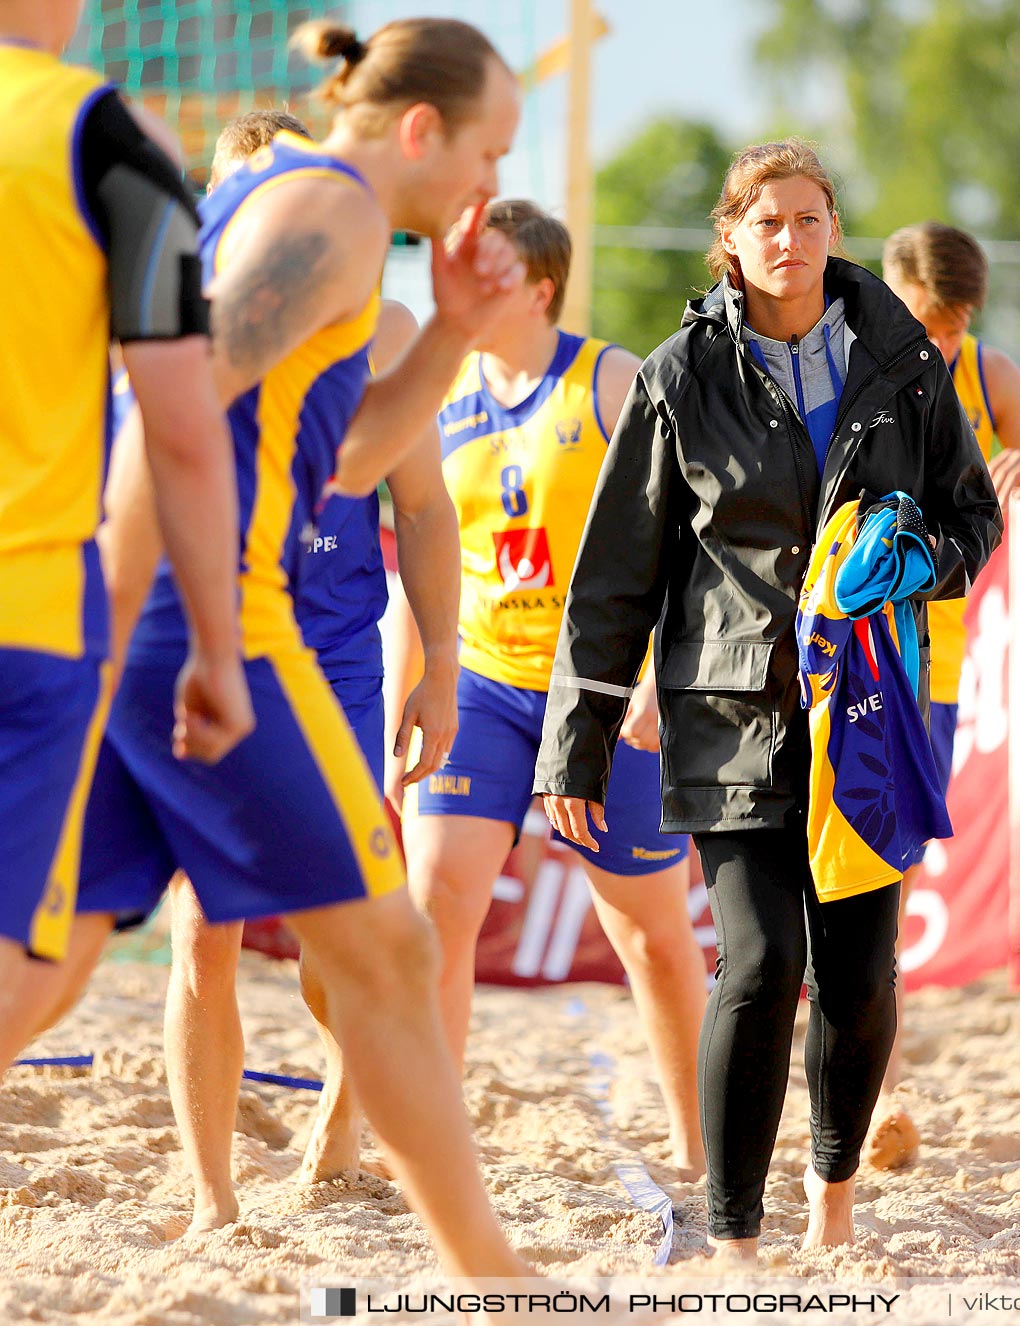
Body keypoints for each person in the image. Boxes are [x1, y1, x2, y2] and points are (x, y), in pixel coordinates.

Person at [4, 19, 536, 1281]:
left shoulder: (303, 207)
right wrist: (145, 634)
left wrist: (454, 329)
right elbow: (163, 417)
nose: (490, 187)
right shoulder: (336, 214)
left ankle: (490, 1275)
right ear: (421, 132)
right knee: (387, 954)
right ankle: (496, 1281)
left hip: (154, 620)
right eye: (489, 151)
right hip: (208, 621)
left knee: (52, 963)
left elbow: (345, 464)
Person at [534, 139, 1000, 1259]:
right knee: (759, 963)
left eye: (808, 218)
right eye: (766, 222)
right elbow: (615, 578)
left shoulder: (904, 360)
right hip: (728, 710)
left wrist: (914, 557)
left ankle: (831, 1207)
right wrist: (580, 744)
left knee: (860, 970)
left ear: (835, 228)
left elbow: (974, 520)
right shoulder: (675, 377)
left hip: (875, 716)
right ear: (729, 238)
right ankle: (737, 1239)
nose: (788, 240)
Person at [304, 198, 711, 1183]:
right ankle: (415, 1143)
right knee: (434, 909)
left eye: (484, 270)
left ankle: (703, 1153)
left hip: (604, 685)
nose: (457, 287)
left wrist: (665, 672)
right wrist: (414, 687)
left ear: (536, 286)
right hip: (482, 681)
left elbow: (698, 539)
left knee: (648, 934)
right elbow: (420, 562)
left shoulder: (611, 379)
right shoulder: (437, 397)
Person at [154, 108, 468, 1231]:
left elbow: (425, 510)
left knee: (346, 941)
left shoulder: (383, 330)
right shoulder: (183, 319)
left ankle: (340, 1125)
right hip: (212, 639)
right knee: (203, 927)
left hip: (333, 655)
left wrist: (440, 666)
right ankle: (210, 1199)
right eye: (241, 194)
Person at [0, 0, 250, 1056]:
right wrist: (216, 644)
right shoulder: (104, 135)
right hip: (27, 609)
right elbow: (183, 427)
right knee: (28, 963)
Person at [868, 219, 1020, 1165]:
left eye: (957, 326)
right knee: (835, 885)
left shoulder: (990, 376)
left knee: (884, 882)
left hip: (933, 659)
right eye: (927, 325)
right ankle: (859, 1086)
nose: (943, 345)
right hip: (838, 648)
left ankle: (874, 1089)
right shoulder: (838, 357)